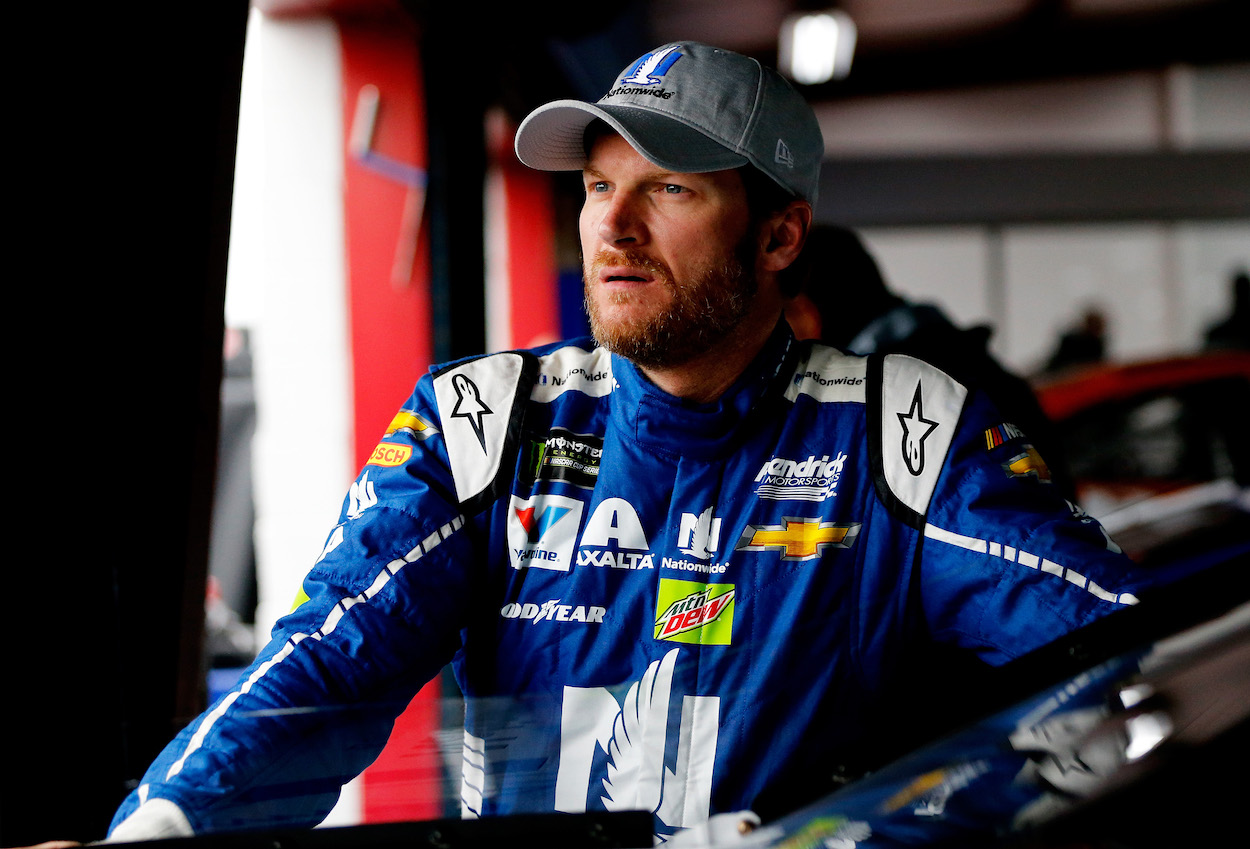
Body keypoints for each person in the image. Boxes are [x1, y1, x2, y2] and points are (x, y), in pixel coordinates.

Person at [104, 42, 1142, 844]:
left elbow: (1115, 670)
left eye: (669, 188)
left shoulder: (901, 434)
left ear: (779, 236)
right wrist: (168, 826)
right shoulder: (486, 421)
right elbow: (322, 670)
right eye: (600, 185)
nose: (611, 227)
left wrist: (881, 831)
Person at [784, 223, 1076, 500]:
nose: (783, 333)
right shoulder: (964, 362)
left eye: (788, 314)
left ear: (811, 310)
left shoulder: (892, 392)